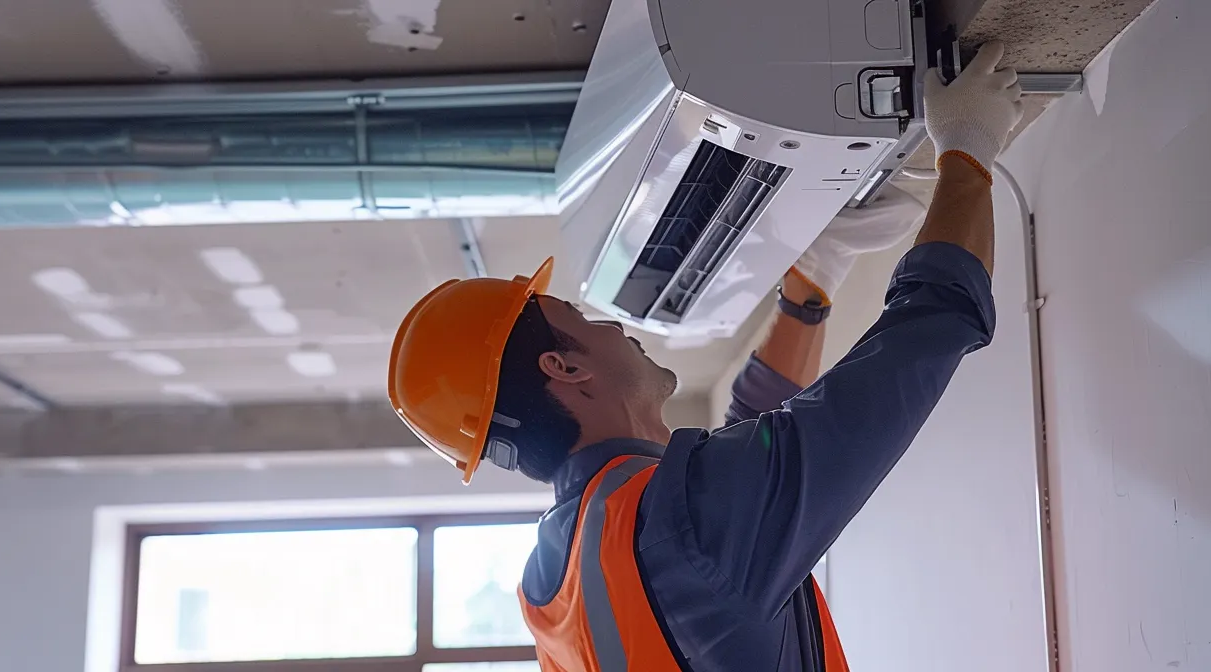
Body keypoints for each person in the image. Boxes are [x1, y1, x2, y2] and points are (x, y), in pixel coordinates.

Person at [388, 42, 1024, 672]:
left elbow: (744, 463)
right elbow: (930, 329)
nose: (609, 324)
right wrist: (966, 153)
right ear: (566, 367)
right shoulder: (642, 530)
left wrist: (810, 291)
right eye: (581, 320)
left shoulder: (562, 578)